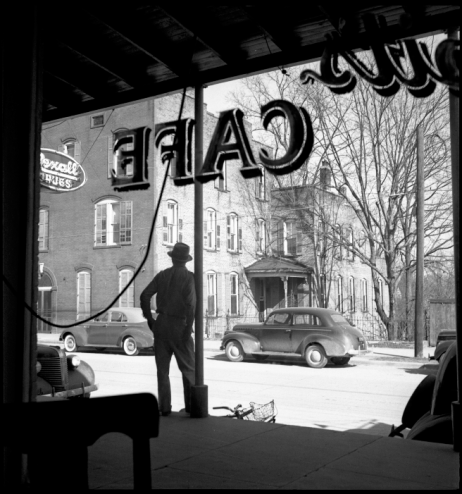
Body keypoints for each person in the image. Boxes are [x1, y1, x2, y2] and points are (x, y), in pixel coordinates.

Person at [140, 242, 196, 416]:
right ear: (185, 260)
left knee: (162, 371)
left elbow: (145, 295)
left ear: (173, 259)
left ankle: (164, 407)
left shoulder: (162, 275)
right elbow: (191, 305)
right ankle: (191, 406)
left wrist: (150, 319)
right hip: (180, 326)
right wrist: (189, 328)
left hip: (162, 325)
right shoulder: (189, 277)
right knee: (188, 369)